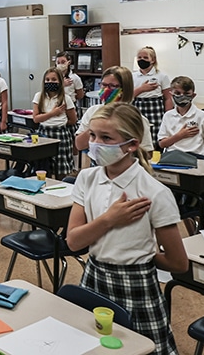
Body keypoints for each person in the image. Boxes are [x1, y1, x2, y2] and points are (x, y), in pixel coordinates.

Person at [66, 102, 187, 355]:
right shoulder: (87, 178)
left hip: (137, 284)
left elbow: (178, 263)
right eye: (93, 135)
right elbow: (74, 242)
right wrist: (109, 220)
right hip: (94, 275)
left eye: (106, 138)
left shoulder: (154, 192)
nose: (95, 143)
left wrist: (141, 255)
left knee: (144, 349)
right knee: (95, 348)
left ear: (132, 145)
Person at [75, 66, 154, 159]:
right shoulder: (93, 111)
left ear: (124, 89)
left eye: (112, 86)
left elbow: (148, 154)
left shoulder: (137, 118)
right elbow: (79, 145)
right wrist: (98, 125)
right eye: (103, 85)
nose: (106, 89)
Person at [157, 76, 204, 159]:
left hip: (196, 157)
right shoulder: (168, 116)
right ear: (171, 94)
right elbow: (162, 144)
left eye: (186, 93)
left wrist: (199, 150)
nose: (182, 96)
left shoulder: (201, 116)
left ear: (193, 95)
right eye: (178, 93)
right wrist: (180, 135)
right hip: (172, 157)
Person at [32, 67, 78, 178]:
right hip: (44, 133)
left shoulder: (65, 98)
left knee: (61, 168)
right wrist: (53, 113)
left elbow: (73, 120)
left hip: (60, 134)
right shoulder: (39, 96)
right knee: (44, 166)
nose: (50, 82)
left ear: (60, 82)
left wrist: (59, 122)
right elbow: (36, 118)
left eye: (54, 80)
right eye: (47, 80)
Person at [132, 46, 172, 147]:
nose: (142, 60)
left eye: (145, 58)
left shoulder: (162, 76)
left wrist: (167, 116)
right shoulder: (132, 76)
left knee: (155, 137)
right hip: (138, 107)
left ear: (153, 60)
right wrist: (141, 89)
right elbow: (128, 96)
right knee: (139, 134)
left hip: (155, 108)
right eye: (139, 57)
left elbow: (168, 98)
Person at [55, 51, 84, 115]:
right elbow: (48, 91)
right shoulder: (53, 77)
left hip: (70, 106)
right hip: (55, 106)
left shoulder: (75, 78)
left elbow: (80, 95)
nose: (60, 64)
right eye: (58, 62)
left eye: (63, 62)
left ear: (69, 62)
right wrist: (62, 85)